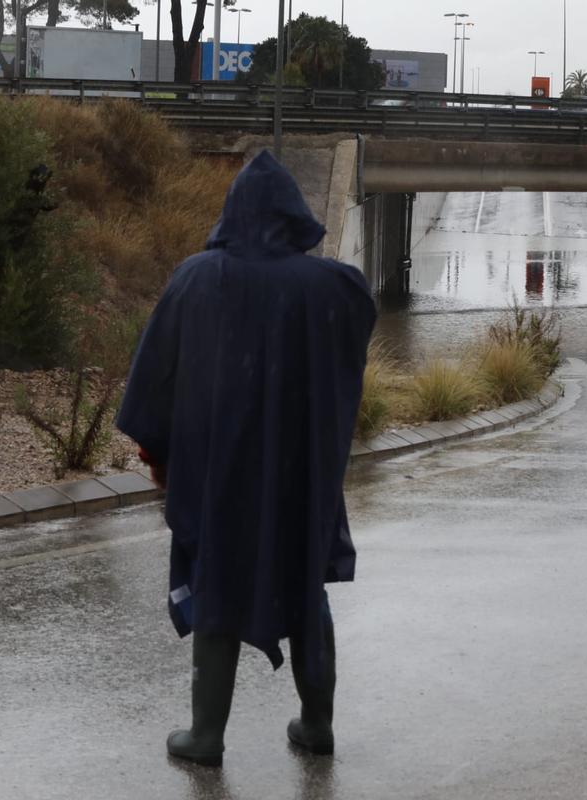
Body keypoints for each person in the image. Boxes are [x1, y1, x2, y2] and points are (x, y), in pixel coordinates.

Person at [116, 150, 376, 767]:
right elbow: (356, 331)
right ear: (293, 216)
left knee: (218, 581)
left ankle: (206, 736)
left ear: (232, 212)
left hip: (217, 472)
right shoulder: (332, 287)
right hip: (299, 475)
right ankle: (317, 724)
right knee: (304, 582)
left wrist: (160, 461)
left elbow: (154, 380)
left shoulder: (195, 279)